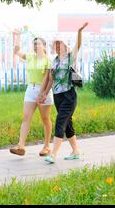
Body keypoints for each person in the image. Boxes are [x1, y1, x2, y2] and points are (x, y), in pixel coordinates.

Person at [37, 22, 89, 164]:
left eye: (61, 44)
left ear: (65, 45)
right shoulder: (54, 62)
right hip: (57, 96)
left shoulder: (70, 57)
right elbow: (50, 81)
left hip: (69, 95)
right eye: (56, 44)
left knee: (60, 121)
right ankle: (76, 151)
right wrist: (44, 94)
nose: (58, 46)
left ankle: (53, 154)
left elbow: (78, 45)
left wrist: (79, 31)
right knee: (67, 124)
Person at [9, 31, 54, 157]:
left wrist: (43, 93)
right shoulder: (30, 57)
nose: (35, 46)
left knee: (45, 119)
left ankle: (47, 146)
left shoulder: (48, 60)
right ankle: (21, 146)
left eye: (38, 44)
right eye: (34, 44)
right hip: (30, 89)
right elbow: (17, 51)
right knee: (26, 117)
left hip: (43, 91)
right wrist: (18, 37)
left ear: (44, 46)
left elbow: (49, 78)